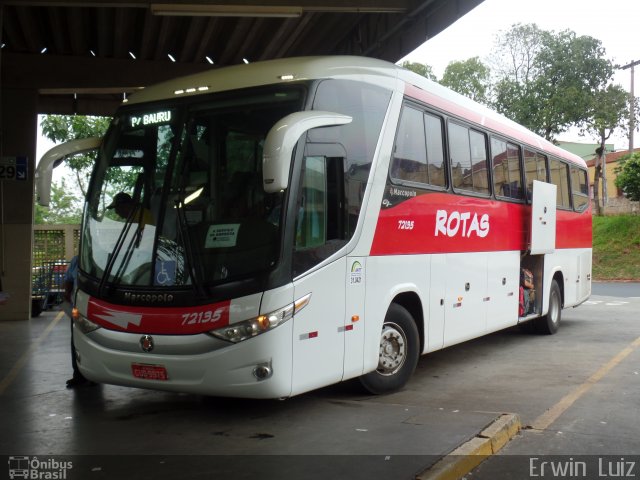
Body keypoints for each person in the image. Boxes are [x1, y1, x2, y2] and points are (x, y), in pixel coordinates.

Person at [63, 256, 95, 388]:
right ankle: (79, 375)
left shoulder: (104, 260)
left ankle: (94, 374)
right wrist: (67, 296)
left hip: (95, 308)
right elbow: (68, 280)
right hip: (78, 308)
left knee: (94, 340)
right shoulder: (77, 260)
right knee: (76, 340)